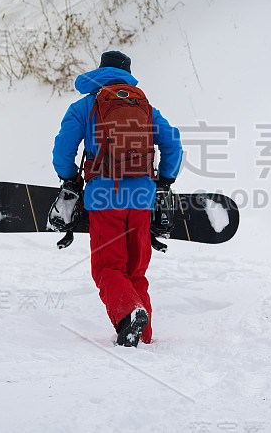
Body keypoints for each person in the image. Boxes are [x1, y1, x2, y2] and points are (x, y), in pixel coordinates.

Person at [51, 50, 182, 346]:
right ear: (127, 72)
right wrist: (164, 181)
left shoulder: (83, 107)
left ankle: (129, 314)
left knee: (108, 268)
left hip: (103, 198)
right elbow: (173, 144)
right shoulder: (146, 107)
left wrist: (70, 178)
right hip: (142, 199)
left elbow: (63, 150)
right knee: (136, 269)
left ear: (100, 70)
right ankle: (142, 336)